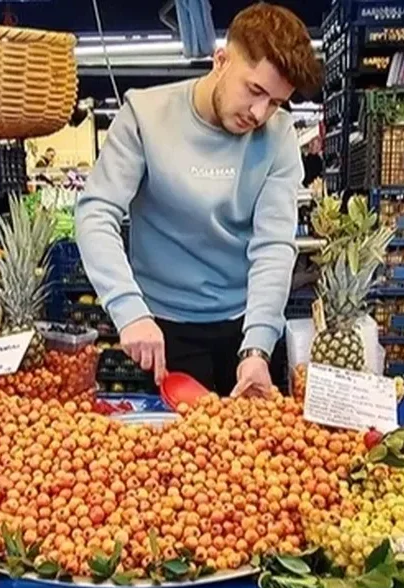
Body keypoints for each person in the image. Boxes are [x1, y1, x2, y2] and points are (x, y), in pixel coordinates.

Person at [75, 2, 319, 397]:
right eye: (254, 90)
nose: (259, 113)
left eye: (275, 102)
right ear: (220, 60)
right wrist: (129, 311)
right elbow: (96, 213)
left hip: (245, 328)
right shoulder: (144, 115)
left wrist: (258, 345)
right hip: (164, 329)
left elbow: (273, 244)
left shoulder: (279, 136)